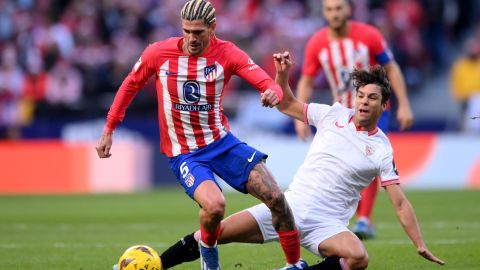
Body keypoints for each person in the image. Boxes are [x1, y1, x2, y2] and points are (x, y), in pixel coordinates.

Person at [157, 54, 445, 270]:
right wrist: (282, 76)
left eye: (372, 98)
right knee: (213, 233)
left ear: (384, 106)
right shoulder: (333, 114)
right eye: (360, 95)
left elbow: (399, 202)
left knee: (358, 257)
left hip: (328, 225)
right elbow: (287, 104)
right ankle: (154, 264)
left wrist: (419, 244)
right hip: (288, 208)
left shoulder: (382, 149)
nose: (363, 102)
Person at [95, 1, 302, 269]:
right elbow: (129, 85)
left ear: (213, 28)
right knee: (215, 206)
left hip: (222, 143)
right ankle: (209, 257)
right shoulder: (158, 54)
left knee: (276, 197)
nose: (191, 38)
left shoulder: (228, 53)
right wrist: (109, 129)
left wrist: (272, 90)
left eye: (199, 32)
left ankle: (294, 265)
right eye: (187, 31)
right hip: (185, 152)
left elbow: (265, 82)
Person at [293, 0, 414, 239]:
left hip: (373, 111)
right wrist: (300, 119)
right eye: (329, 9)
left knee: (368, 157)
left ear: (348, 10)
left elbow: (391, 68)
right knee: (340, 167)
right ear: (324, 12)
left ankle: (365, 219)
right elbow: (307, 79)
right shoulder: (317, 42)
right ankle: (347, 215)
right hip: (341, 113)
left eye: (339, 8)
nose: (334, 13)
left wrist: (405, 105)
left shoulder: (369, 35)